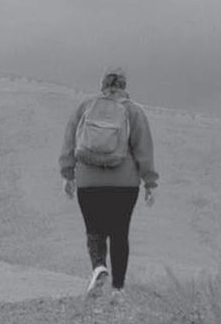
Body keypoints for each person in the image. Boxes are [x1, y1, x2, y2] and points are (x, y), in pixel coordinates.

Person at [59, 67, 158, 297]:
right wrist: (150, 183)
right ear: (124, 87)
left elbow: (69, 143)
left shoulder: (85, 108)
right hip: (125, 185)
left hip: (88, 182)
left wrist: (67, 174)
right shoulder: (134, 112)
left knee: (94, 230)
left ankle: (99, 267)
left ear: (102, 86)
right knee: (119, 233)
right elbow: (144, 150)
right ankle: (118, 289)